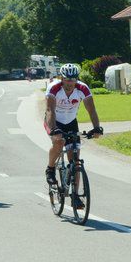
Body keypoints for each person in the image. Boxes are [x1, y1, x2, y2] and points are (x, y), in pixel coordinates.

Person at [44, 63, 102, 209]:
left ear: (77, 79)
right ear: (61, 78)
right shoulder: (54, 88)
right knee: (58, 142)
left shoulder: (82, 88)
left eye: (73, 79)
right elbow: (50, 110)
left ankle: (75, 195)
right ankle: (50, 169)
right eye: (67, 79)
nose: (70, 83)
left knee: (75, 159)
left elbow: (92, 110)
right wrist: (54, 129)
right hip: (53, 120)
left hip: (70, 122)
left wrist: (96, 128)